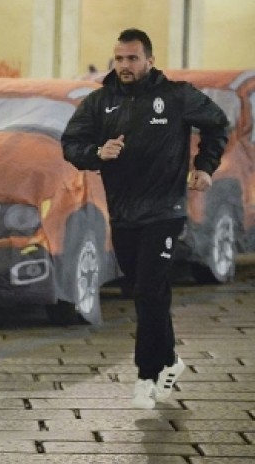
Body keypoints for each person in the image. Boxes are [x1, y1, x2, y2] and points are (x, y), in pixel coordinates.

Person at [61, 28, 228, 409]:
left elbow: (217, 123)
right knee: (142, 291)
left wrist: (205, 166)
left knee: (149, 291)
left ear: (149, 60)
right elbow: (71, 144)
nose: (124, 65)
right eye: (119, 58)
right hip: (123, 214)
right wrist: (96, 152)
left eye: (132, 58)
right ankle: (170, 359)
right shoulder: (99, 102)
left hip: (165, 211)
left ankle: (146, 374)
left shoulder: (176, 96)